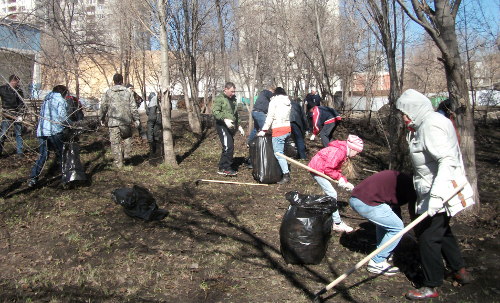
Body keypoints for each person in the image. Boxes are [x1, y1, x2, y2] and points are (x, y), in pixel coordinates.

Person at [396, 89, 472, 300]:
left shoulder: (431, 125)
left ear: (415, 109)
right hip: (431, 189)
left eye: (405, 112)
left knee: (428, 237)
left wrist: (437, 197)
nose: (403, 117)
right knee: (442, 231)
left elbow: (447, 160)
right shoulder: (421, 125)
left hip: (441, 191)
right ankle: (459, 270)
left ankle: (431, 285)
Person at [349, 170, 417, 275]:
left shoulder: (401, 177)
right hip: (365, 202)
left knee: (388, 225)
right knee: (397, 228)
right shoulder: (411, 185)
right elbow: (413, 211)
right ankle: (377, 262)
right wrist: (418, 231)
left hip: (358, 198)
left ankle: (382, 251)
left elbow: (394, 208)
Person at [308, 134, 364, 233]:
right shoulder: (340, 152)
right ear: (353, 149)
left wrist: (343, 180)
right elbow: (328, 168)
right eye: (357, 152)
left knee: (331, 193)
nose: (356, 155)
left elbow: (335, 168)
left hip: (320, 168)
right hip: (317, 169)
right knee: (332, 194)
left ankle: (328, 212)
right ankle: (337, 223)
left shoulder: (342, 151)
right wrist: (339, 178)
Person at [27, 85, 70, 187]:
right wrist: (70, 124)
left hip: (42, 131)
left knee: (43, 155)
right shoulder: (60, 100)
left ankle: (33, 178)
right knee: (61, 154)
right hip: (54, 131)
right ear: (63, 93)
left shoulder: (46, 100)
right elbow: (63, 117)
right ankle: (65, 178)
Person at [99, 73, 140, 168]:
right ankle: (127, 155)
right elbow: (133, 107)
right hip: (126, 121)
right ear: (122, 81)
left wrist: (101, 118)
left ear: (113, 81)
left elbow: (103, 107)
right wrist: (136, 119)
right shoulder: (128, 92)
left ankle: (119, 163)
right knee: (127, 138)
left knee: (115, 143)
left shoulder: (108, 92)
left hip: (113, 123)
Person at [257, 87, 292, 184]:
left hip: (278, 130)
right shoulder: (287, 102)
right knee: (282, 152)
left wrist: (264, 130)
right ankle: (282, 171)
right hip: (287, 129)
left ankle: (286, 175)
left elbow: (270, 116)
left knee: (279, 154)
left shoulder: (274, 101)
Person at [212, 81, 244, 176]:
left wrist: (239, 125)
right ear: (225, 89)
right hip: (222, 125)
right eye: (232, 91)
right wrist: (224, 119)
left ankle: (222, 166)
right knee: (228, 146)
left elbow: (235, 114)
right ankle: (226, 168)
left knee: (228, 146)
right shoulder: (220, 99)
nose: (233, 93)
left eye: (234, 91)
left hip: (231, 125)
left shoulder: (233, 99)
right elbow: (215, 112)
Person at [0, 75, 25, 157]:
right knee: (3, 133)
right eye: (17, 82)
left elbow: (22, 103)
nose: (18, 84)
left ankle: (20, 152)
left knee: (18, 133)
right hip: (6, 113)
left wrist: (20, 115)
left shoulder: (18, 90)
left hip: (16, 113)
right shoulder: (3, 89)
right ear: (13, 81)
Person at [146, 92, 163, 160]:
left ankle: (153, 153)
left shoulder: (152, 104)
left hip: (154, 119)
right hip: (158, 119)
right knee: (156, 135)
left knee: (152, 133)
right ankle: (156, 153)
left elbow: (149, 115)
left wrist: (150, 139)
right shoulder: (156, 102)